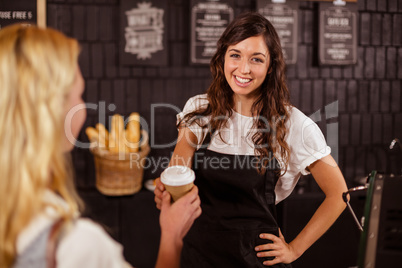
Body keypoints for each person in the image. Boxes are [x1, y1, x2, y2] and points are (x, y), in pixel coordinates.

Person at [154, 12, 348, 267]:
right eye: (235, 55)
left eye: (256, 59)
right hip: (199, 255)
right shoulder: (200, 109)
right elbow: (179, 170)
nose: (243, 69)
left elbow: (339, 194)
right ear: (222, 57)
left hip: (257, 261)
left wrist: (294, 250)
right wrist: (168, 189)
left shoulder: (294, 124)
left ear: (270, 67)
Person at [0, 24, 201, 268]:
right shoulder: (77, 246)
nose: (83, 108)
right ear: (52, 112)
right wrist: (172, 236)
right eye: (79, 96)